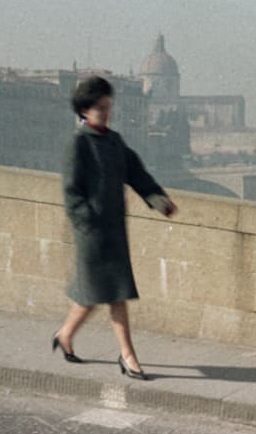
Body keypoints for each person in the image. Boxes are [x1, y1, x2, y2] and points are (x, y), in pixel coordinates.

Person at [52, 75, 177, 380]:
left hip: (114, 232)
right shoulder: (78, 144)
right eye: (99, 107)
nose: (106, 112)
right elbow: (71, 194)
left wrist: (158, 199)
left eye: (108, 107)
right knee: (113, 294)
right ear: (84, 110)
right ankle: (128, 356)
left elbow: (136, 173)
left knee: (96, 294)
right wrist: (87, 224)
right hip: (92, 235)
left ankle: (65, 335)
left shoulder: (114, 141)